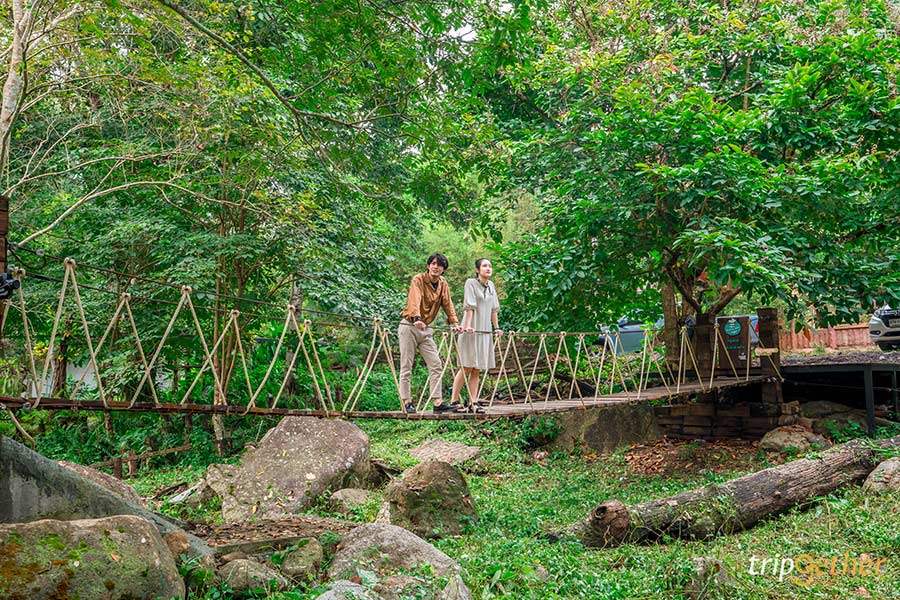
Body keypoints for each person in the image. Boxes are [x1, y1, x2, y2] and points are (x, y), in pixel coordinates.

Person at [399, 253, 461, 414]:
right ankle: (407, 402)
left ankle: (437, 402)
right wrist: (416, 317)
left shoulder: (443, 283)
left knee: (436, 364)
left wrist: (455, 323)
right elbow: (415, 298)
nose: (436, 267)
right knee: (406, 365)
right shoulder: (418, 279)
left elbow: (447, 303)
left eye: (439, 265)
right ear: (428, 266)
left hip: (425, 329)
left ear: (443, 269)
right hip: (409, 326)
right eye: (433, 264)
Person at [451, 258, 502, 413]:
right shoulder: (471, 283)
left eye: (490, 266)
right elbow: (469, 307)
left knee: (477, 368)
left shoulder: (491, 285)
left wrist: (497, 328)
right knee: (467, 366)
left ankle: (473, 402)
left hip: (484, 331)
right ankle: (454, 401)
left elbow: (494, 309)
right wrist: (467, 326)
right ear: (477, 270)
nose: (488, 268)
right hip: (472, 330)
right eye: (484, 266)